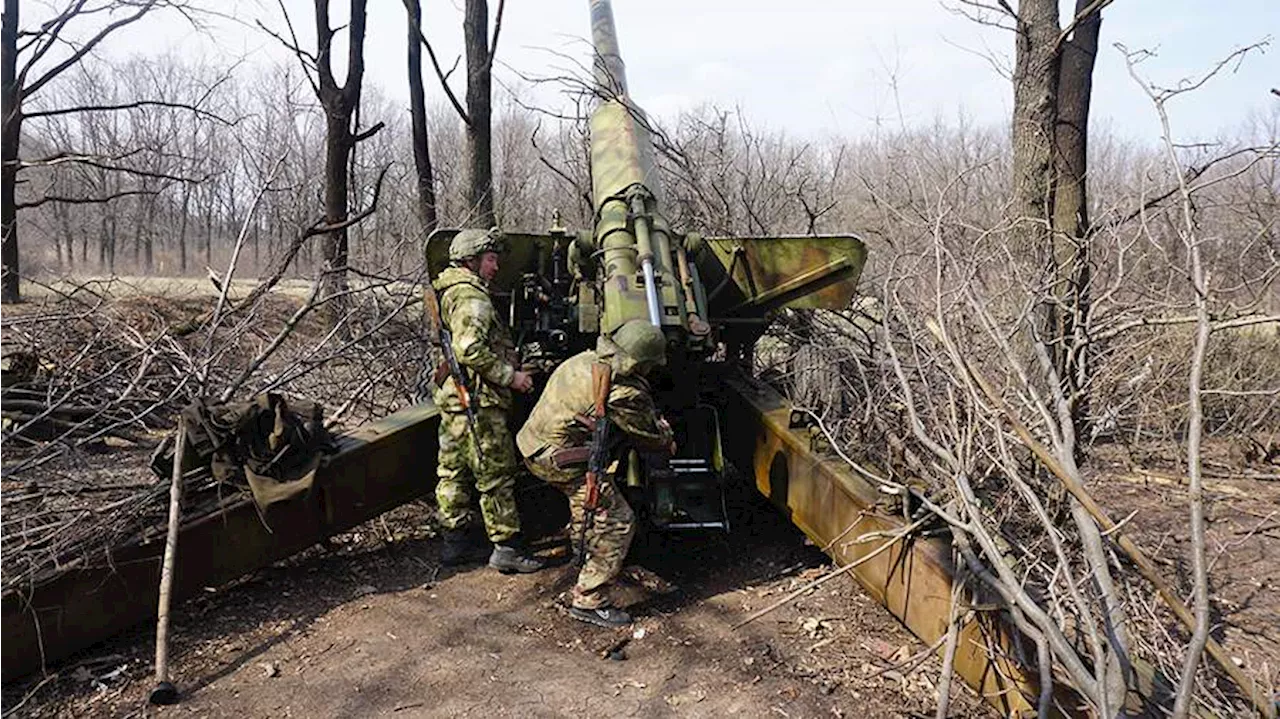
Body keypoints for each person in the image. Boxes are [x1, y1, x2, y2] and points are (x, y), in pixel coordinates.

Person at [517, 319, 675, 627]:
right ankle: (590, 598)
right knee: (617, 520)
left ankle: (584, 555)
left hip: (531, 446)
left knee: (586, 503)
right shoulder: (624, 392)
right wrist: (666, 436)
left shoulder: (583, 360)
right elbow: (650, 439)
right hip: (559, 460)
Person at [433, 228, 543, 574]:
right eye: (491, 259)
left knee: (453, 470)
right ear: (471, 260)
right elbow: (470, 349)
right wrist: (514, 377)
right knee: (495, 474)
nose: (496, 267)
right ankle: (506, 548)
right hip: (478, 401)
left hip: (455, 400)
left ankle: (455, 545)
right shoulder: (472, 297)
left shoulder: (449, 290)